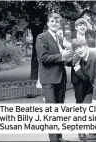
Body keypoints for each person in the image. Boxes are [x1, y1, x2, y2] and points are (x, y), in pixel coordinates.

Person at [36, 12, 73, 142]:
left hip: (61, 78)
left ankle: (59, 137)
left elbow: (62, 58)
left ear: (59, 24)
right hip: (49, 80)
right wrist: (62, 56)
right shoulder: (42, 37)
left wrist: (69, 59)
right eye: (52, 21)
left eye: (57, 22)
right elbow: (43, 58)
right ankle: (53, 140)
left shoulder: (60, 39)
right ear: (48, 23)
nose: (54, 23)